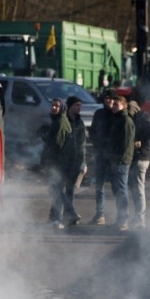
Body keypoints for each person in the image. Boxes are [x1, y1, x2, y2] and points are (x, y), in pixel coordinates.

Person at [53, 96, 88, 228]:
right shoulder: (63, 121)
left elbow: (83, 144)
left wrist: (83, 162)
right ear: (70, 106)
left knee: (70, 191)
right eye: (77, 105)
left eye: (80, 105)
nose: (79, 108)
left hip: (75, 162)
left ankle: (69, 217)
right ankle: (58, 217)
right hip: (62, 162)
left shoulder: (80, 123)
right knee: (57, 189)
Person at [106, 93, 135, 232]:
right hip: (115, 159)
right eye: (113, 104)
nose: (113, 106)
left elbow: (126, 143)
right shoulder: (117, 119)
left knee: (122, 190)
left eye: (116, 104)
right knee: (117, 190)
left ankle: (124, 220)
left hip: (121, 161)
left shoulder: (125, 120)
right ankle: (120, 219)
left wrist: (120, 159)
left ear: (124, 106)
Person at [127, 100, 150, 229]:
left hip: (142, 156)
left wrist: (140, 140)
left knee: (138, 188)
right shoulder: (138, 116)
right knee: (135, 188)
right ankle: (138, 215)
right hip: (138, 156)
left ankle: (140, 218)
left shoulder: (142, 116)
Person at [88, 89, 117, 225]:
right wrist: (96, 142)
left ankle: (120, 216)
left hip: (114, 155)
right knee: (99, 186)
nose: (108, 101)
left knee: (117, 186)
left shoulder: (118, 113)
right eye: (106, 98)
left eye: (111, 98)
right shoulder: (99, 113)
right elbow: (92, 130)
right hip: (100, 153)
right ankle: (100, 215)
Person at [41, 98, 68, 226]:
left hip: (58, 163)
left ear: (62, 108)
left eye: (57, 106)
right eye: (52, 105)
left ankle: (58, 218)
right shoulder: (57, 120)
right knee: (55, 191)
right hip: (57, 162)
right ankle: (54, 217)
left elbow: (56, 144)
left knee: (57, 191)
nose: (54, 108)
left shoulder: (60, 122)